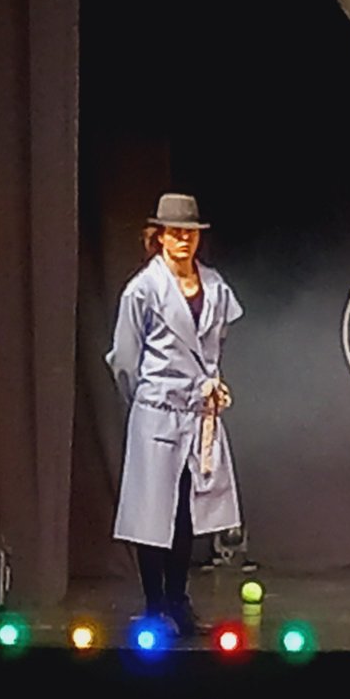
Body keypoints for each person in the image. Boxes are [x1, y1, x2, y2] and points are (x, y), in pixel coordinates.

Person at [106, 193, 244, 637]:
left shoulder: (215, 287)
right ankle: (154, 604)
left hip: (198, 414)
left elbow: (216, 344)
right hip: (157, 411)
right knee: (153, 514)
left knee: (188, 510)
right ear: (160, 236)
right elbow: (125, 358)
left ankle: (178, 599)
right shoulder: (143, 289)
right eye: (175, 232)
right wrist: (147, 400)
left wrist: (209, 386)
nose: (183, 239)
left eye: (190, 232)